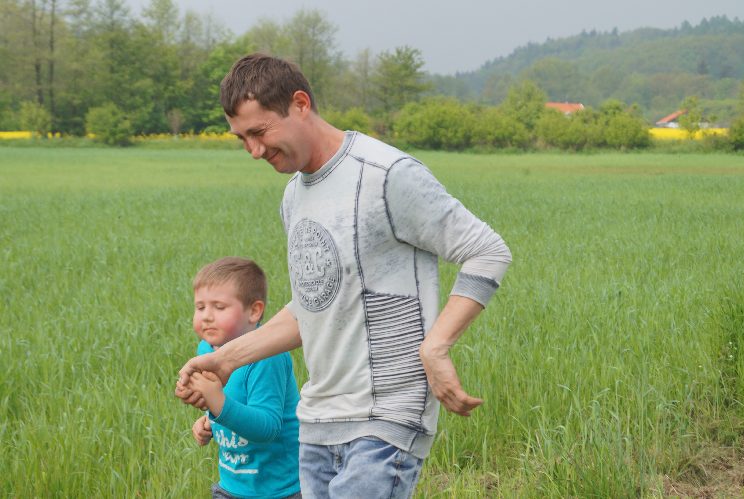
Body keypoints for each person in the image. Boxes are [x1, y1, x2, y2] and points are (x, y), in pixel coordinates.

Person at [176, 54, 512, 498]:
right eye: (242, 139)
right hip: (318, 419)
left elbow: (487, 251)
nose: (254, 151)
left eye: (260, 132)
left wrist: (435, 346)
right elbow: (311, 308)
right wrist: (226, 359)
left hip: (386, 416)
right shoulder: (294, 196)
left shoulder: (385, 175)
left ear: (300, 104)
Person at [184, 256, 301, 499]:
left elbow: (267, 428)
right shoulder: (207, 351)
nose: (207, 316)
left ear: (254, 311)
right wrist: (209, 422)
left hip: (278, 490)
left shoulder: (268, 357)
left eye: (219, 307)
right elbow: (229, 402)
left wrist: (217, 403)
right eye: (200, 307)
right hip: (231, 486)